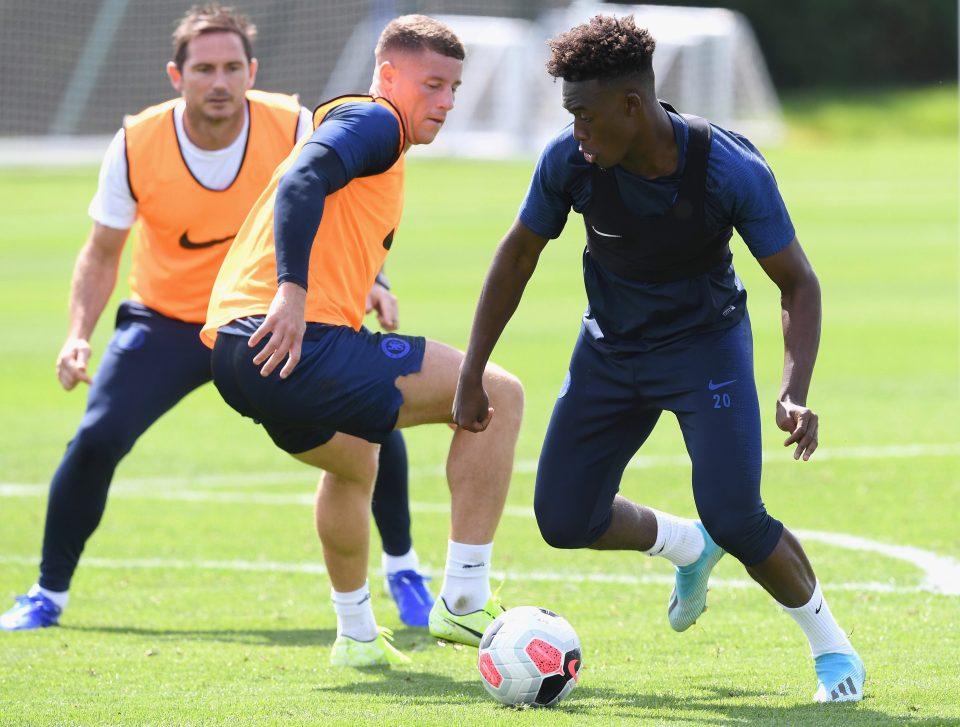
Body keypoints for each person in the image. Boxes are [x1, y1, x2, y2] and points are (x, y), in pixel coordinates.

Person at [453, 15, 864, 704]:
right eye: (571, 117)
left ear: (632, 107)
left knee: (736, 513)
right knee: (563, 518)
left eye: (585, 116)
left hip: (705, 350)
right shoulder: (569, 162)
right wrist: (470, 371)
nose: (576, 133)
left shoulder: (728, 168)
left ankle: (834, 654)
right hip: (610, 353)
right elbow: (517, 255)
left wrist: (794, 389)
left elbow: (798, 283)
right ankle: (686, 545)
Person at [1, 4, 434, 633]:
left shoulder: (290, 123)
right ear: (176, 76)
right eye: (204, 68)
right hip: (168, 321)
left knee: (372, 423)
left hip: (269, 319)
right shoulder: (136, 143)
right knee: (96, 438)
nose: (221, 81)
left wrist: (376, 279)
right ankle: (46, 593)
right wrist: (76, 335)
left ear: (252, 70)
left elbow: (341, 200)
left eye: (233, 67)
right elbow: (100, 253)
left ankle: (404, 570)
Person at [202, 13, 523, 668]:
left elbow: (325, 203)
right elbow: (301, 182)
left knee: (354, 463)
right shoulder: (376, 121)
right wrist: (293, 291)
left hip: (237, 353)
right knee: (496, 393)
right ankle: (464, 600)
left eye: (454, 89)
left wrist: (370, 277)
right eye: (431, 84)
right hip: (293, 337)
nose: (445, 102)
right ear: (387, 76)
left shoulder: (372, 139)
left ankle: (355, 635)